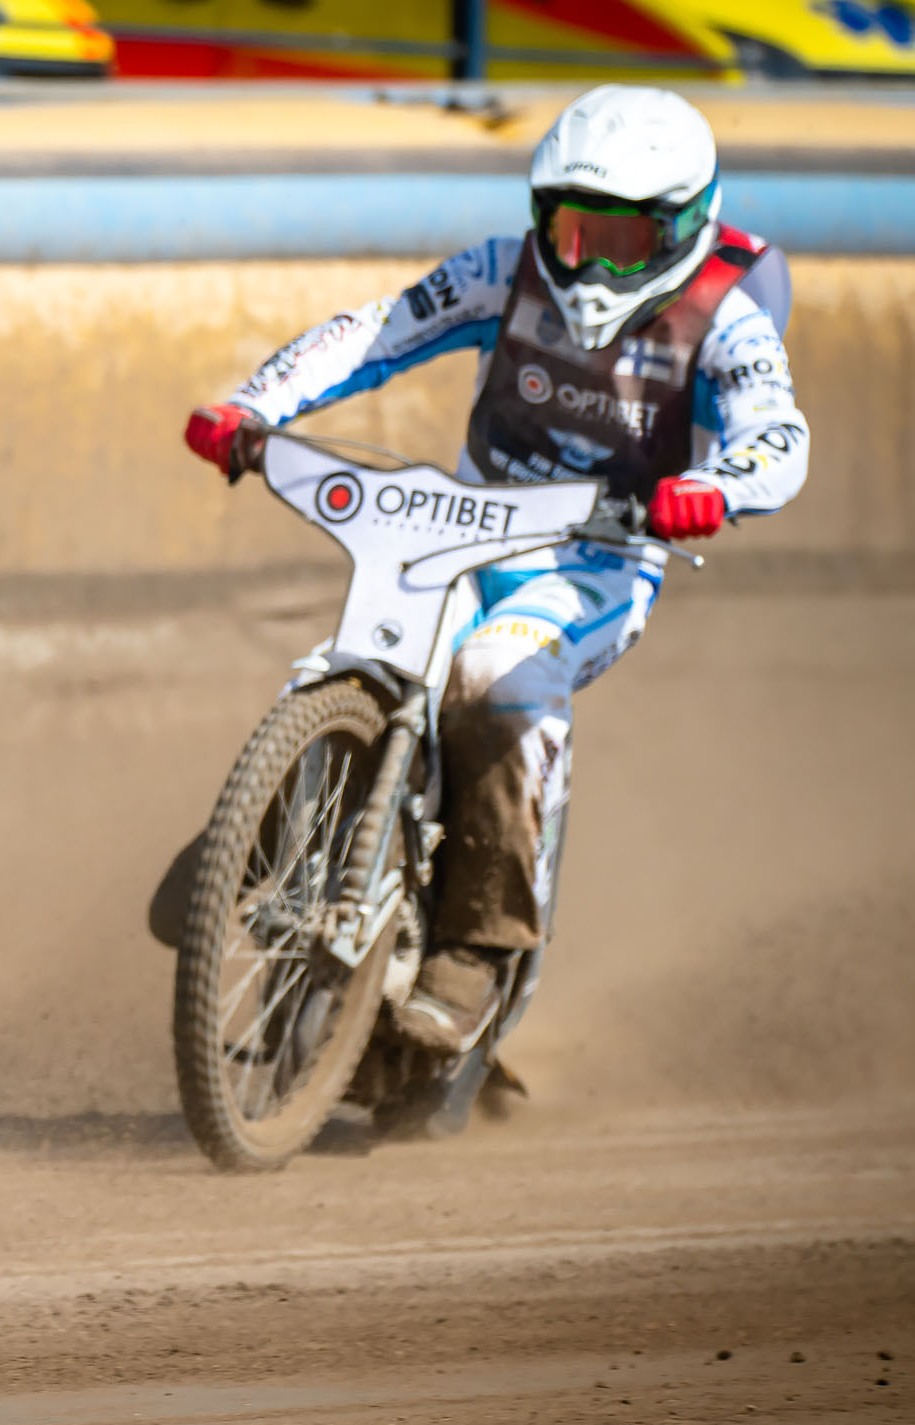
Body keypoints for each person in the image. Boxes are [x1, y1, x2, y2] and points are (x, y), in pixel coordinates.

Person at [183, 85, 809, 1056]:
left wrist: (716, 487)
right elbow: (376, 331)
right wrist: (252, 408)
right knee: (343, 657)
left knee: (496, 681)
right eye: (571, 232)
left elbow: (778, 434)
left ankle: (476, 951)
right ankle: (253, 849)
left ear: (685, 224)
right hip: (466, 529)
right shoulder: (500, 271)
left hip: (602, 558)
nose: (591, 262)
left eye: (622, 239)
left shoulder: (725, 316)